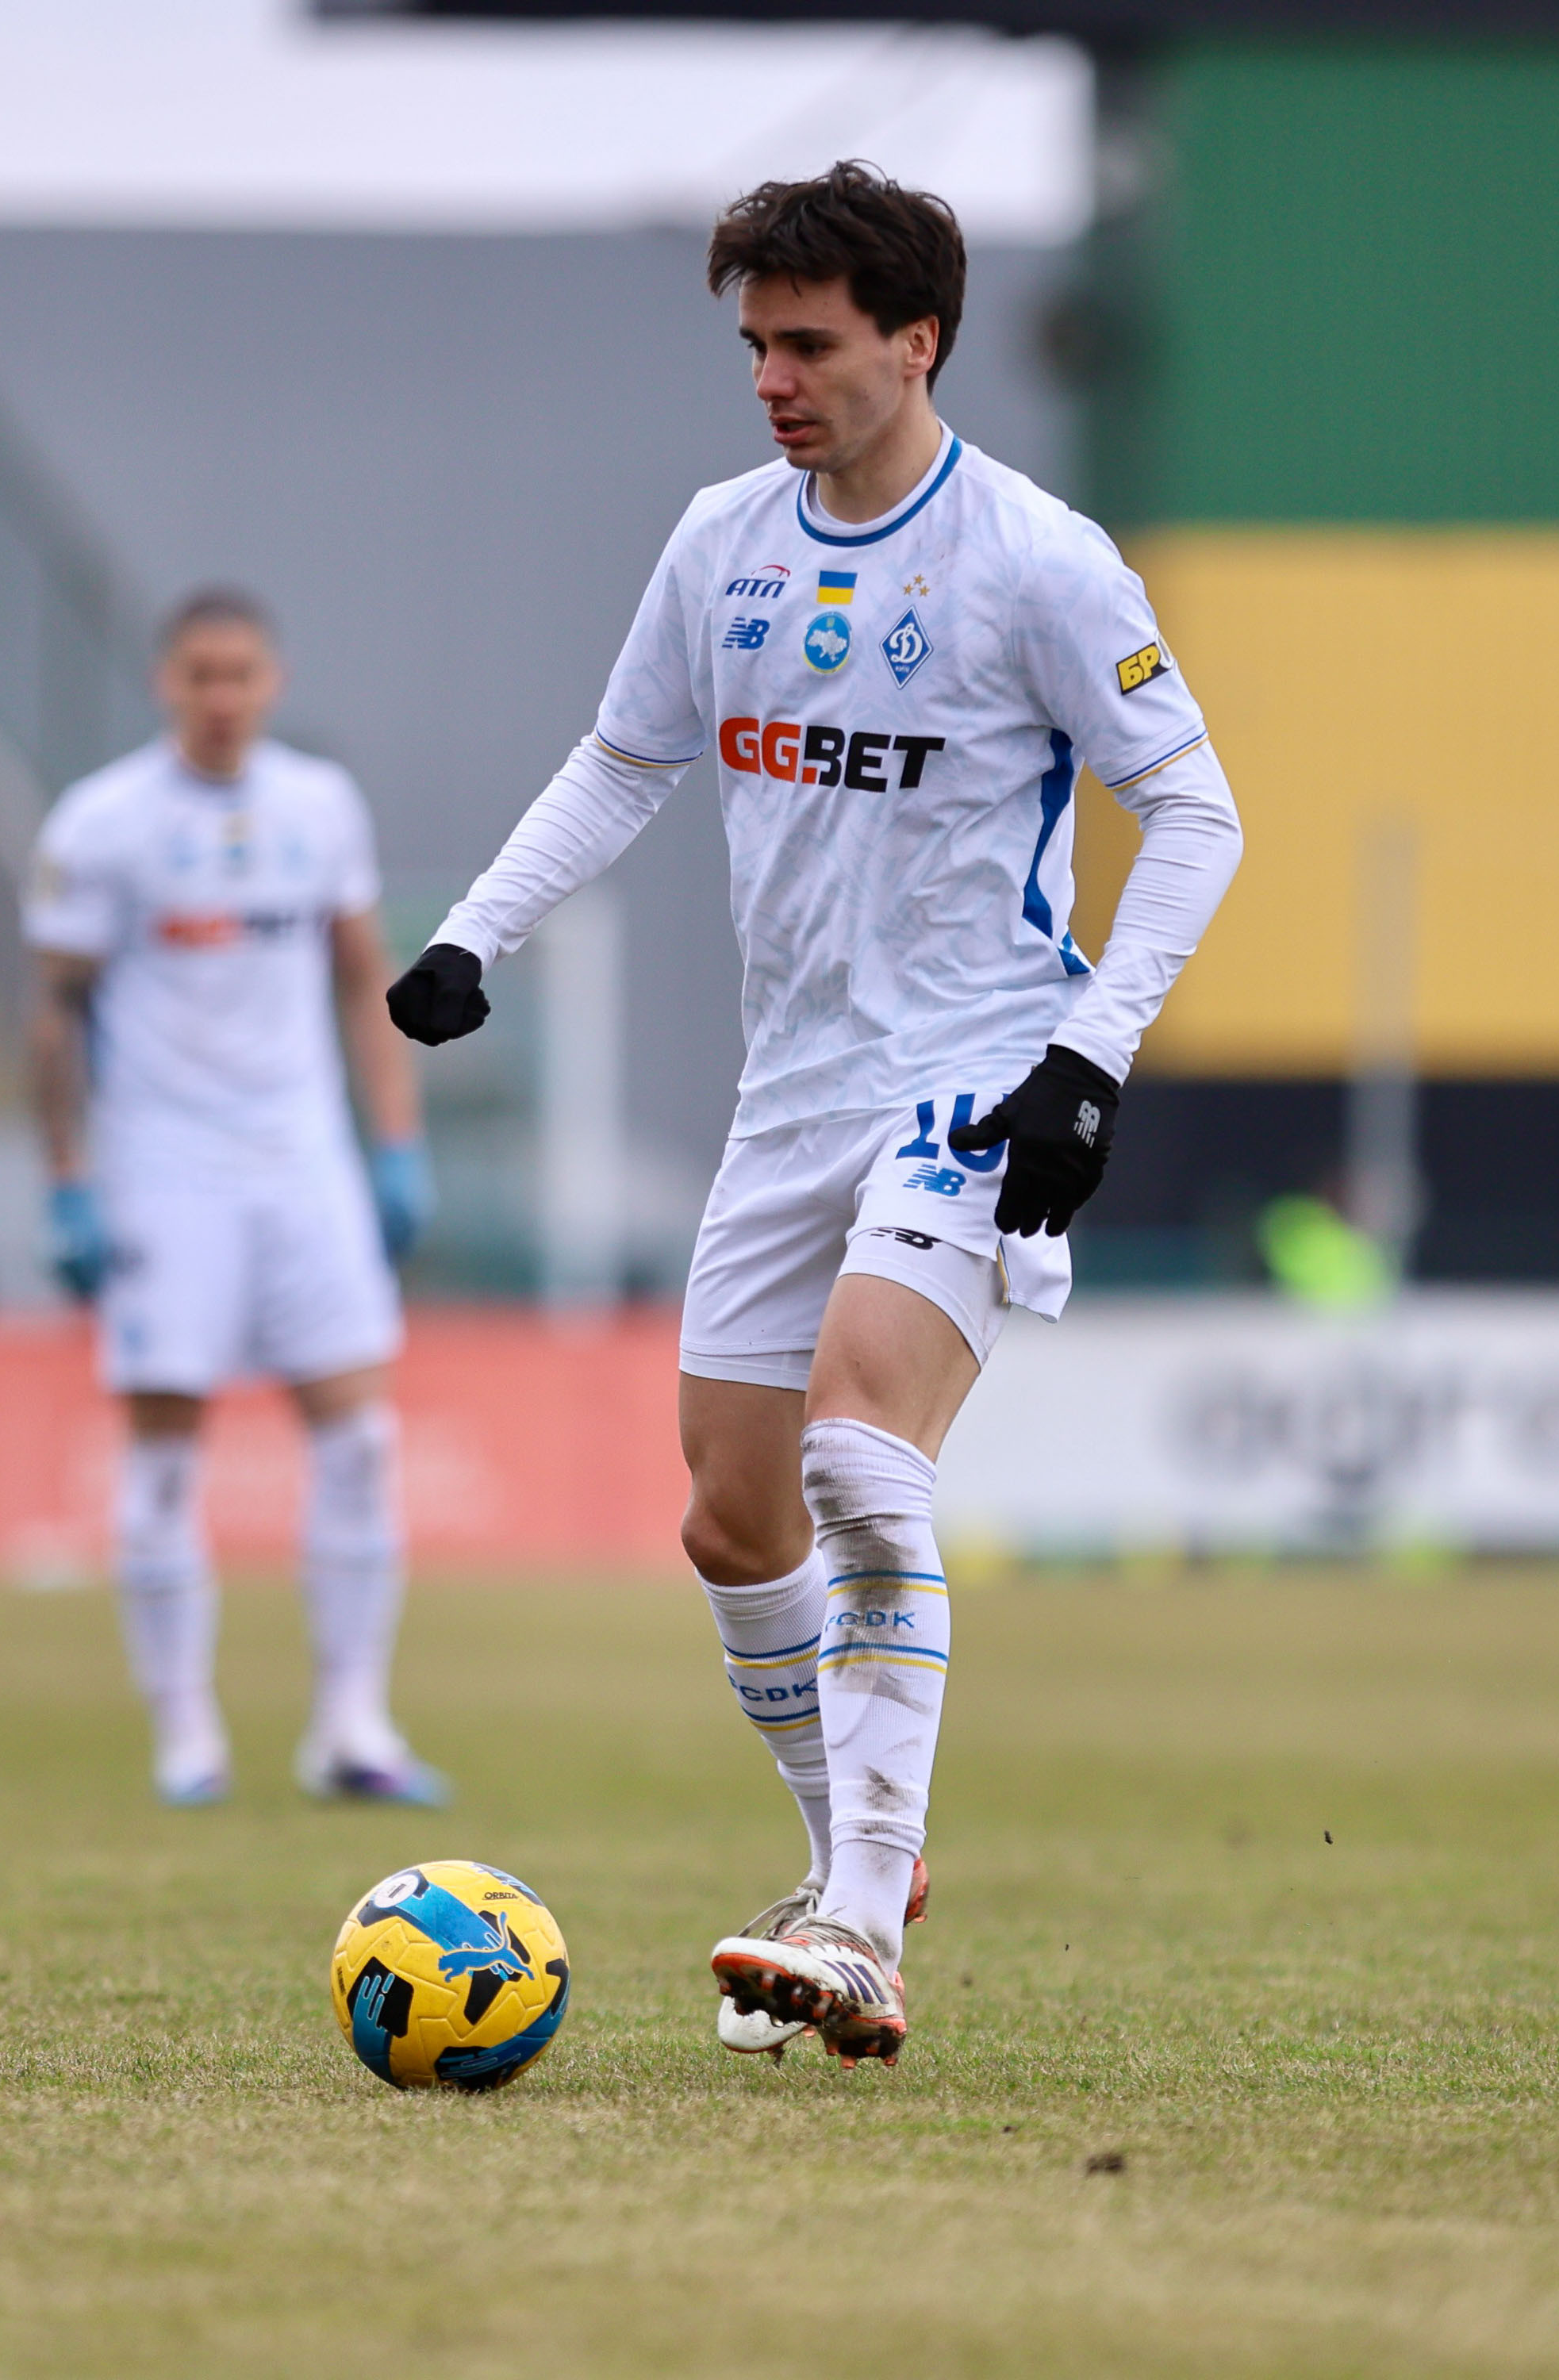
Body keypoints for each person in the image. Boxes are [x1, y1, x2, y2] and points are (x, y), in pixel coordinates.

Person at [386, 162, 1242, 2063]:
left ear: (915, 341)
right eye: (755, 346)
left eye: (809, 343)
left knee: (860, 1448)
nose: (771, 379)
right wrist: (472, 934)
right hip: (790, 1088)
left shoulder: (1036, 559)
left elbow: (1195, 813)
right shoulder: (722, 544)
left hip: (979, 1063)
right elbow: (625, 758)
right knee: (728, 1516)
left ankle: (858, 1914)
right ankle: (851, 1858)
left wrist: (1087, 1061)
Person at [25, 587, 445, 1810]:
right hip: (164, 1172)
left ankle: (352, 1726)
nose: (220, 696)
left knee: (361, 1440)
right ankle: (186, 1734)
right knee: (165, 1455)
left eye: (240, 673)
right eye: (199, 674)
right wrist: (68, 1179)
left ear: (273, 681)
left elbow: (364, 975)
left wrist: (396, 1141)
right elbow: (54, 1011)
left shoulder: (320, 806)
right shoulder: (102, 822)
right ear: (166, 682)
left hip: (303, 1162)